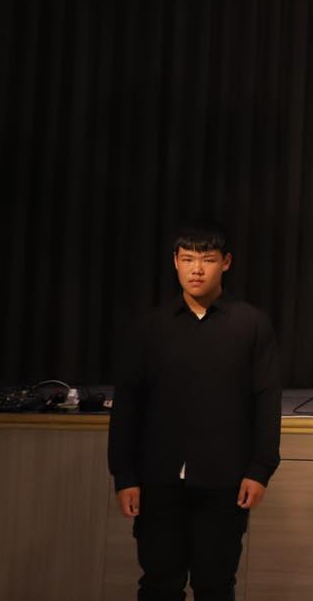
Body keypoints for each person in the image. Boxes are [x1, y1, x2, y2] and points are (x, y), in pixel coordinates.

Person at [108, 226, 281, 601]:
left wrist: (260, 469)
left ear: (226, 263)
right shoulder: (151, 326)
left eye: (207, 260)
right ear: (175, 262)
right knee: (159, 583)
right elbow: (128, 405)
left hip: (225, 479)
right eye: (187, 259)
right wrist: (124, 474)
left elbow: (267, 401)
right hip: (158, 479)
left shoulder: (251, 324)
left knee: (215, 584)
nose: (196, 269)